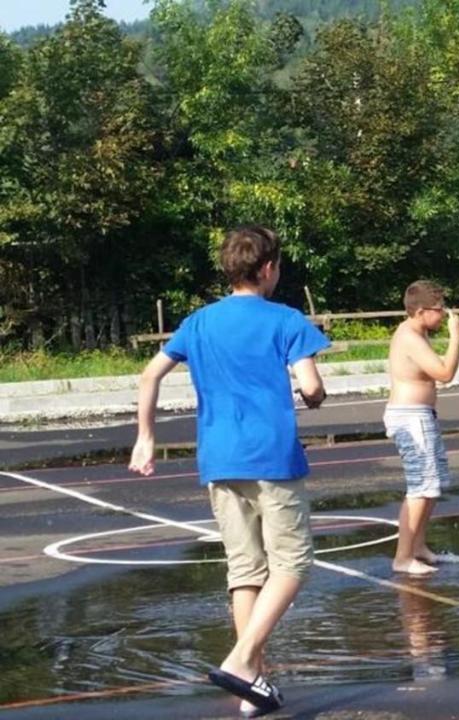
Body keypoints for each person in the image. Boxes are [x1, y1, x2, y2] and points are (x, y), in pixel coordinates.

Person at [129, 225, 330, 716]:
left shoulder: (198, 322)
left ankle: (252, 685)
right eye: (278, 266)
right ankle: (242, 661)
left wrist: (146, 436)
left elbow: (149, 374)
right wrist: (314, 394)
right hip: (272, 457)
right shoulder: (285, 320)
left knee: (245, 570)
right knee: (293, 564)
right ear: (267, 269)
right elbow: (311, 386)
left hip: (219, 459)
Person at [384, 280, 459, 575]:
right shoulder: (410, 337)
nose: (443, 315)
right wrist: (456, 338)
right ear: (419, 311)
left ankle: (417, 546)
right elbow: (444, 373)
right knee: (421, 486)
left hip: (421, 415)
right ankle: (403, 557)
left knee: (433, 483)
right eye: (438, 310)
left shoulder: (418, 332)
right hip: (409, 416)